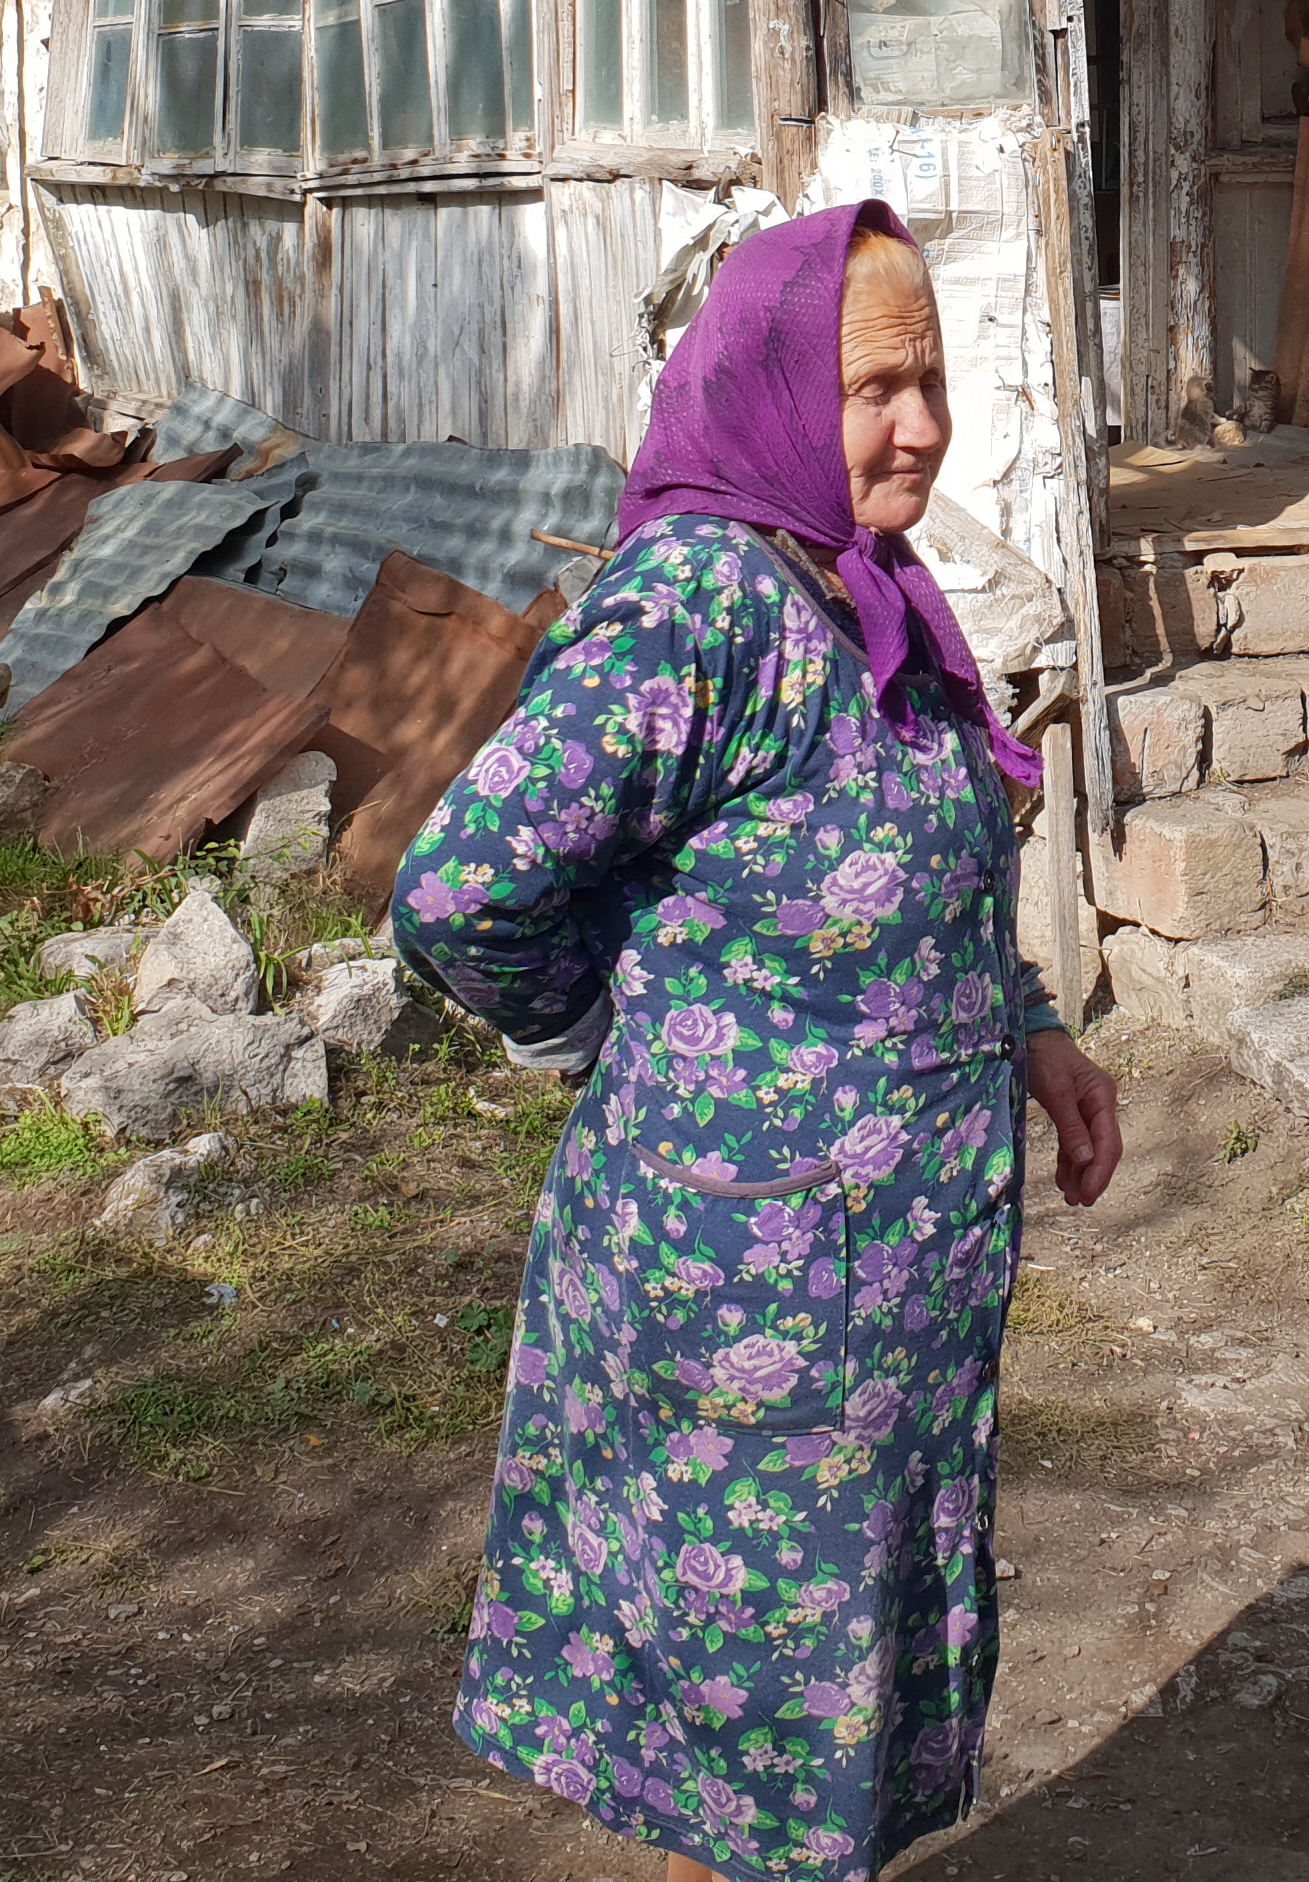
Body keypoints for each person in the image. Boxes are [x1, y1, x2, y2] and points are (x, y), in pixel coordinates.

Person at [390, 198, 1124, 1882]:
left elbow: (915, 865)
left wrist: (1029, 1035)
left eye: (931, 378)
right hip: (751, 1301)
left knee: (828, 1709)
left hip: (886, 1295)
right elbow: (463, 887)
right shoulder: (699, 608)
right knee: (750, 1729)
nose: (923, 422)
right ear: (779, 383)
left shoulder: (865, 581)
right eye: (878, 384)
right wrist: (591, 1029)